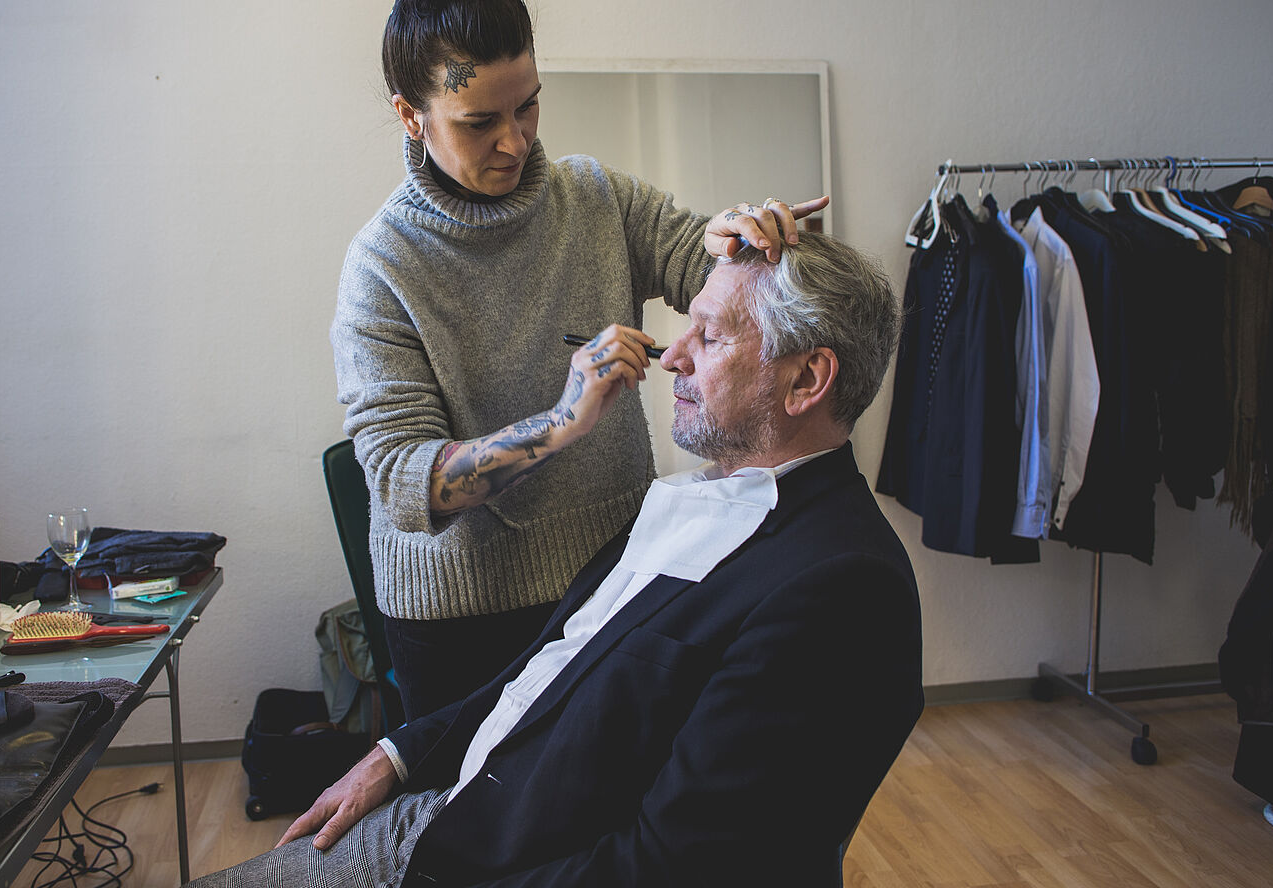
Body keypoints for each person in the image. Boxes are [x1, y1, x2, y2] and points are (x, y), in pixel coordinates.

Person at [198, 230, 922, 887]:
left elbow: (674, 868)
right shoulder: (692, 503)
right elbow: (547, 674)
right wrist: (394, 756)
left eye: (708, 335)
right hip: (454, 802)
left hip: (482, 862)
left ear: (806, 380)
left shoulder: (841, 588)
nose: (671, 355)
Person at [331, 0, 828, 720]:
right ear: (410, 114)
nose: (514, 140)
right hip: (457, 620)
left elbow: (723, 288)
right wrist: (563, 422)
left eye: (527, 106)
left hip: (612, 572)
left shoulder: (596, 199)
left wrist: (742, 246)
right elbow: (399, 484)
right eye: (477, 120)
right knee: (470, 826)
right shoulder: (381, 269)